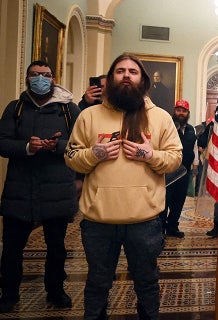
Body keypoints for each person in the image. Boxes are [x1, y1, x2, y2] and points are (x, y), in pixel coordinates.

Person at [64, 53, 182, 319]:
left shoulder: (161, 118)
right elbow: (71, 158)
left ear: (143, 80)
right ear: (110, 79)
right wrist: (94, 154)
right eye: (120, 71)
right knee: (97, 282)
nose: (126, 75)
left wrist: (150, 155)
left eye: (133, 71)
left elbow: (175, 160)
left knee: (147, 283)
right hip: (98, 220)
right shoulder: (89, 116)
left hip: (145, 220)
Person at [0, 60, 80, 313]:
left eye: (45, 75)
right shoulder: (16, 108)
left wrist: (57, 145)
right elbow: (2, 143)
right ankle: (9, 294)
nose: (40, 79)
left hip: (57, 188)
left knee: (56, 247)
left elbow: (80, 144)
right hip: (20, 190)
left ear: (54, 79)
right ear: (27, 79)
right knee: (12, 247)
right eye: (35, 75)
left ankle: (56, 291)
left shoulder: (69, 110)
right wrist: (27, 147)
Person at [161, 99, 198, 238]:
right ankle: (161, 229)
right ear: (174, 111)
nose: (181, 113)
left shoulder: (191, 129)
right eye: (178, 110)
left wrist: (195, 167)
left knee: (179, 201)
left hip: (185, 172)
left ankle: (172, 227)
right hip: (169, 172)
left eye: (184, 111)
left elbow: (194, 149)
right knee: (165, 201)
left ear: (188, 113)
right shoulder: (167, 127)